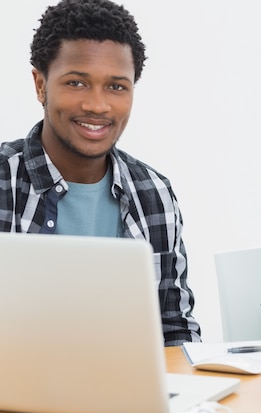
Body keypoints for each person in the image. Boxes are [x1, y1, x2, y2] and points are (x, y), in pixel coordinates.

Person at [0, 0, 201, 346]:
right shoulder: (5, 180)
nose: (97, 105)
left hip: (126, 396)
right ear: (40, 85)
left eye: (116, 86)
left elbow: (175, 330)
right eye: (77, 83)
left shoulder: (154, 193)